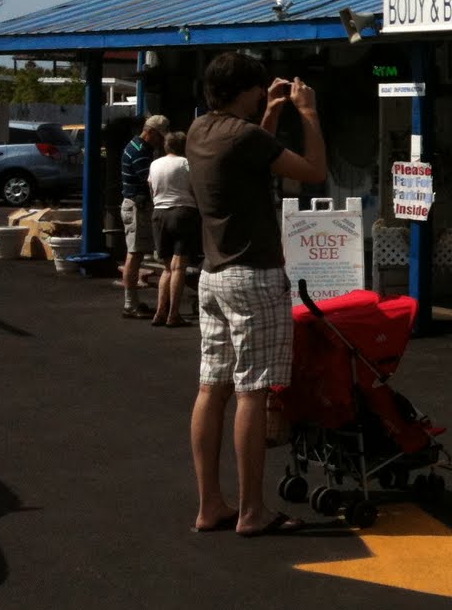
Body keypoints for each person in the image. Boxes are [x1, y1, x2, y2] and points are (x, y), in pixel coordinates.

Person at [185, 52, 326, 537]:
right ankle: (251, 511)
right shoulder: (244, 136)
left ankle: (211, 505)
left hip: (213, 274)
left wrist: (270, 110)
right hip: (254, 275)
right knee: (253, 390)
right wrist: (306, 112)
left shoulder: (200, 132)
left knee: (212, 389)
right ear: (245, 90)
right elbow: (312, 170)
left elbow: (254, 151)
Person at [119, 114, 169, 319]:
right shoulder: (140, 152)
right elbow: (148, 180)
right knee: (135, 253)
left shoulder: (139, 147)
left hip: (137, 206)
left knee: (137, 252)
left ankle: (132, 302)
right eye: (159, 136)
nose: (160, 141)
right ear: (150, 132)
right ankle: (130, 303)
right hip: (136, 207)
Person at [148, 130, 200, 328]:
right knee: (180, 267)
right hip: (182, 212)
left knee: (167, 268)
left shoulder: (154, 164)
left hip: (159, 213)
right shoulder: (186, 164)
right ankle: (173, 314)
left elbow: (151, 188)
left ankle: (159, 312)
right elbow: (195, 188)